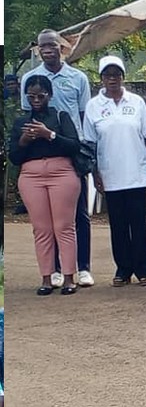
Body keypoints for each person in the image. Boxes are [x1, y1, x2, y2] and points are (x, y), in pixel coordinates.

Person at [20, 29, 94, 286]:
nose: (47, 49)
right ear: (38, 49)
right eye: (42, 46)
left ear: (61, 47)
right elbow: (28, 113)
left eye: (52, 45)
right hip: (41, 152)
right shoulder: (30, 78)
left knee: (79, 214)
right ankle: (55, 270)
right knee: (49, 220)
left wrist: (82, 147)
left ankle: (82, 268)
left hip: (71, 149)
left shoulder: (78, 78)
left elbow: (84, 114)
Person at [83, 55, 146, 286]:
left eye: (116, 74)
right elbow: (90, 144)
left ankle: (143, 270)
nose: (112, 79)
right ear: (101, 78)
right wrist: (95, 173)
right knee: (118, 225)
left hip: (137, 173)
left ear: (123, 77)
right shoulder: (93, 106)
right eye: (107, 75)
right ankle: (123, 270)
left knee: (139, 224)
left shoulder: (136, 102)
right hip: (110, 175)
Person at [8, 74, 82, 295]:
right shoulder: (21, 122)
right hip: (31, 176)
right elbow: (14, 157)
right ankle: (47, 278)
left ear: (49, 95)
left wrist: (48, 134)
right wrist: (24, 140)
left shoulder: (60, 116)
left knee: (64, 227)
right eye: (31, 96)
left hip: (61, 173)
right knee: (41, 229)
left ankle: (69, 278)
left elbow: (74, 145)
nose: (36, 100)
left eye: (40, 95)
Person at [3, 73, 26, 214]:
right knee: (13, 171)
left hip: (25, 138)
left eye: (13, 84)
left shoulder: (24, 99)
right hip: (10, 140)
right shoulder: (4, 102)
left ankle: (26, 201)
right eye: (8, 85)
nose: (11, 87)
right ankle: (19, 201)